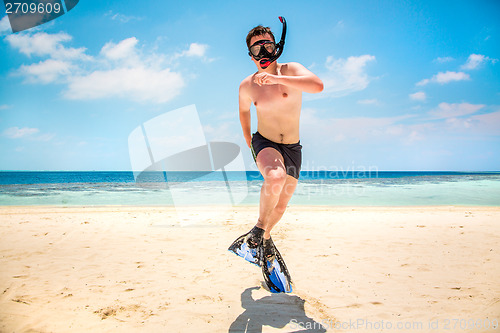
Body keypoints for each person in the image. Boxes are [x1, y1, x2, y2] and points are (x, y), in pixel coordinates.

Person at [229, 19, 323, 292]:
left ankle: (266, 240)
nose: (263, 52)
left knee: (281, 206)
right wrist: (248, 137)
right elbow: (244, 111)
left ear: (277, 47)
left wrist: (278, 78)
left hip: (293, 148)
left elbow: (317, 85)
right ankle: (258, 230)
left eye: (267, 45)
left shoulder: (291, 70)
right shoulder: (247, 85)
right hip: (265, 142)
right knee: (275, 176)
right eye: (256, 48)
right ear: (250, 55)